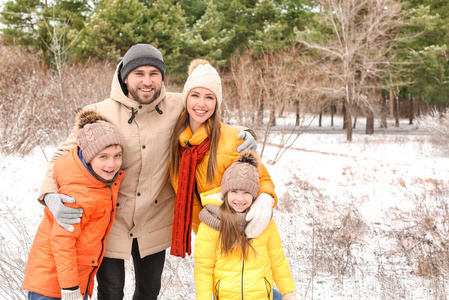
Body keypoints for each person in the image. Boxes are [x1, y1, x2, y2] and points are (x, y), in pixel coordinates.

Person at [38, 44, 258, 300]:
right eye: (139, 73)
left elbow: (209, 118)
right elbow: (61, 156)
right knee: (111, 291)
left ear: (162, 77)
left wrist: (246, 135)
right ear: (125, 76)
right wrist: (49, 194)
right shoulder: (100, 113)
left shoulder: (177, 106)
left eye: (154, 73)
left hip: (155, 217)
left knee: (149, 290)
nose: (147, 81)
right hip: (112, 220)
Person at [169, 59, 277, 259]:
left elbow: (261, 179)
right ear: (186, 98)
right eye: (195, 95)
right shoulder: (177, 144)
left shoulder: (234, 140)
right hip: (208, 238)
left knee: (258, 290)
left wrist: (264, 201)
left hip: (242, 237)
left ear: (217, 103)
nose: (201, 104)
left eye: (209, 97)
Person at [23, 109, 125, 300]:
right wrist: (70, 288)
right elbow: (63, 242)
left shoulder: (97, 182)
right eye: (103, 156)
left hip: (72, 281)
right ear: (87, 157)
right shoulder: (79, 192)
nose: (112, 164)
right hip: (54, 286)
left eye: (117, 155)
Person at [194, 150, 297, 300]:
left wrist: (288, 292)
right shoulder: (211, 223)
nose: (239, 199)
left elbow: (277, 260)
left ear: (254, 194)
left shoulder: (264, 222)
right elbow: (204, 268)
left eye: (246, 192)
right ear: (225, 192)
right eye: (234, 191)